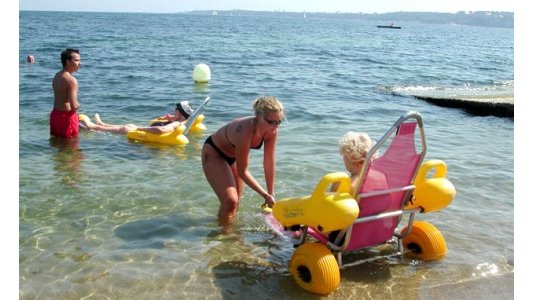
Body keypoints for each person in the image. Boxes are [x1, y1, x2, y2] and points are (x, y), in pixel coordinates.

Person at [201, 96, 284, 226]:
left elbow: (269, 163)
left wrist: (271, 193)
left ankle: (229, 232)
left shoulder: (272, 131)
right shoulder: (244, 131)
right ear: (259, 117)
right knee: (230, 201)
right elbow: (243, 171)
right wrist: (265, 195)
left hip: (234, 155)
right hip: (214, 153)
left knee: (236, 201)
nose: (275, 126)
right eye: (271, 122)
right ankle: (225, 237)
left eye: (279, 122)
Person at [79, 101, 194, 135]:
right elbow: (169, 120)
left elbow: (162, 130)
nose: (174, 112)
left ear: (180, 113)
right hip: (138, 128)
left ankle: (92, 126)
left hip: (139, 131)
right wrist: (171, 117)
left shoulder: (176, 124)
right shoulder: (181, 120)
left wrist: (141, 129)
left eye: (176, 110)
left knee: (125, 127)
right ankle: (101, 123)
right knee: (128, 125)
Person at [50, 48, 81, 138]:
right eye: (77, 60)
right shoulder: (71, 80)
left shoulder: (57, 75)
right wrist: (79, 104)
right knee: (72, 149)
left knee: (57, 145)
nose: (80, 63)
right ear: (68, 62)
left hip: (55, 115)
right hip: (67, 118)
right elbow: (74, 106)